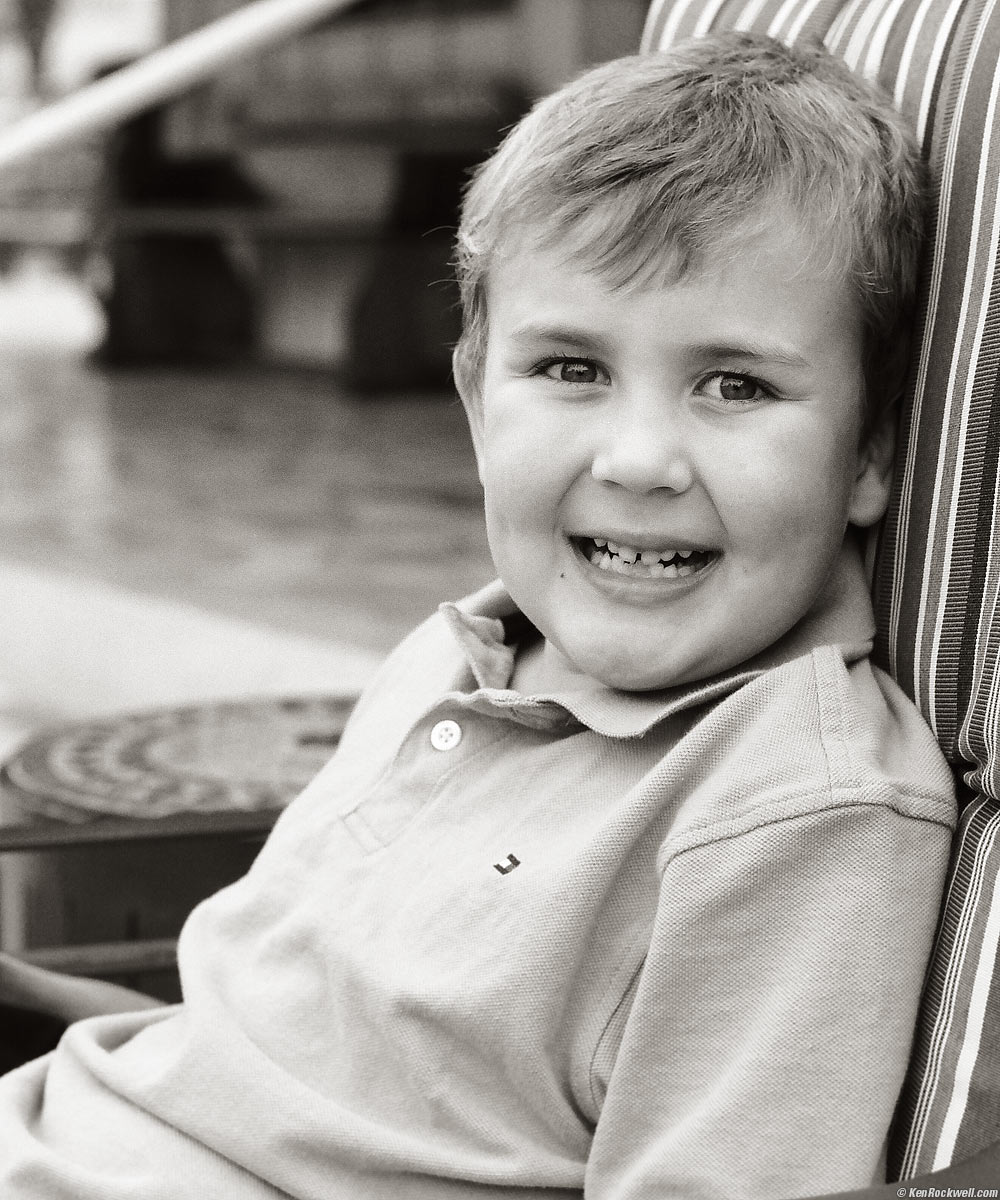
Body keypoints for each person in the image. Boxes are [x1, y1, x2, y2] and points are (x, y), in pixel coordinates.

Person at [0, 32, 956, 1199]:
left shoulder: (789, 815)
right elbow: (265, 1067)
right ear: (473, 396)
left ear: (870, 451)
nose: (639, 456)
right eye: (570, 369)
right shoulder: (455, 657)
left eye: (735, 385)